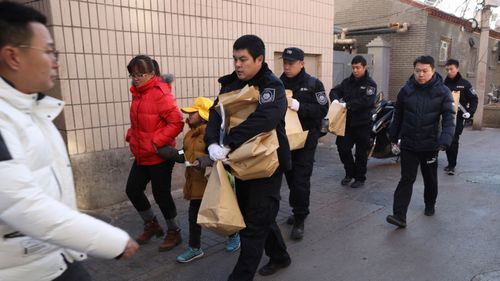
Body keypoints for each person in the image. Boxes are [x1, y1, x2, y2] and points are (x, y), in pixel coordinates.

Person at [0, 2, 139, 280]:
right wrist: (109, 240)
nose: (56, 61)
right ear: (13, 57)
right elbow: (22, 205)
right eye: (49, 51)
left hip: (50, 257)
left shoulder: (32, 110)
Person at [204, 34, 292, 280]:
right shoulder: (230, 84)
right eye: (235, 59)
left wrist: (229, 141)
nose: (238, 65)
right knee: (257, 215)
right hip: (240, 163)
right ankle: (280, 256)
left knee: (254, 225)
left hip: (267, 163)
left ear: (259, 59)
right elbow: (215, 113)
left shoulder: (272, 85)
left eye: (243, 59)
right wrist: (211, 143)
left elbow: (266, 119)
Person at [155, 97, 241, 263]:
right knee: (194, 217)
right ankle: (195, 248)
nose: (188, 116)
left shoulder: (212, 134)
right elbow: (184, 154)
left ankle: (234, 235)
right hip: (194, 183)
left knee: (220, 213)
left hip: (212, 183)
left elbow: (220, 156)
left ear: (202, 115)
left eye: (192, 113)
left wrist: (203, 161)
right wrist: (166, 152)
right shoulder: (189, 135)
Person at [386, 55, 456, 228]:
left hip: (430, 145)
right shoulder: (406, 90)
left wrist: (445, 139)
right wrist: (393, 135)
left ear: (432, 70)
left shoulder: (442, 91)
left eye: (425, 71)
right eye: (417, 71)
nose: (421, 74)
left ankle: (430, 203)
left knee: (430, 178)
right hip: (409, 144)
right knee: (406, 179)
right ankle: (399, 215)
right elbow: (398, 114)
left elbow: (449, 117)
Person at [125, 55, 184, 251]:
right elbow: (140, 120)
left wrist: (155, 142)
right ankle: (152, 225)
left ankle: (174, 232)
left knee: (161, 195)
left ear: (152, 74)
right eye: (133, 75)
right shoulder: (138, 92)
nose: (136, 78)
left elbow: (177, 122)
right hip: (142, 153)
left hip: (159, 154)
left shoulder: (161, 93)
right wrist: (132, 135)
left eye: (140, 74)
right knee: (133, 190)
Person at [279, 47, 328, 240]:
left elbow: (323, 108)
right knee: (290, 178)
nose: (287, 67)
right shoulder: (278, 83)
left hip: (306, 140)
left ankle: (300, 217)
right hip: (285, 140)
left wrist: (301, 107)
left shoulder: (313, 84)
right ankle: (299, 209)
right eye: (284, 63)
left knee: (300, 179)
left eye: (291, 63)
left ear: (301, 63)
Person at [329, 55, 377, 188]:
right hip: (347, 123)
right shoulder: (347, 82)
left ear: (364, 67)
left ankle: (360, 177)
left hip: (362, 124)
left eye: (358, 67)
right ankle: (349, 173)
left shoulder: (370, 84)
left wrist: (347, 105)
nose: (355, 70)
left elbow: (366, 101)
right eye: (353, 67)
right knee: (343, 148)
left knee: (361, 152)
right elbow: (335, 91)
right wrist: (335, 100)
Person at [443, 59, 478, 175]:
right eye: (447, 69)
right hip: (445, 117)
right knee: (446, 140)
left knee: (453, 140)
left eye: (451, 69)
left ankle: (451, 165)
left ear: (457, 69)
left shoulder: (465, 84)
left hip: (458, 117)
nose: (449, 71)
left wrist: (470, 112)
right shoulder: (444, 84)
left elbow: (474, 99)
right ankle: (448, 162)